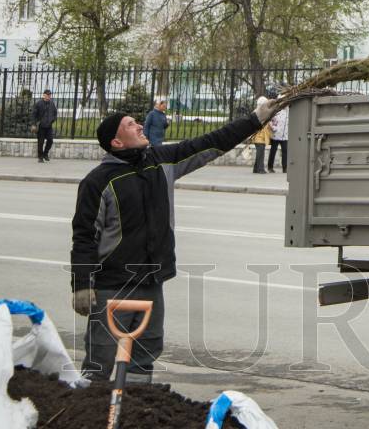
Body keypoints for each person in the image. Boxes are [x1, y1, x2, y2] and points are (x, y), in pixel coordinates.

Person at [70, 99, 274, 382]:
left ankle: (136, 403)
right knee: (100, 359)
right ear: (116, 142)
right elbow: (84, 236)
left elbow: (210, 143)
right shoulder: (97, 182)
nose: (139, 125)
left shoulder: (161, 161)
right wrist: (82, 284)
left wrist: (254, 120)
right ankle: (90, 405)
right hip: (112, 287)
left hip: (152, 282)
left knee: (145, 355)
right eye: (131, 124)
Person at [31, 89, 56, 162]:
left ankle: (45, 154)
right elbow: (34, 114)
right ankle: (40, 157)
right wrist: (34, 124)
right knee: (40, 142)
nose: (49, 96)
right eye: (47, 95)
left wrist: (53, 120)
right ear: (44, 95)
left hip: (49, 126)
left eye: (49, 95)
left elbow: (55, 113)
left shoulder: (52, 103)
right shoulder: (39, 103)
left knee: (50, 140)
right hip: (41, 126)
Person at [250, 95, 271, 173]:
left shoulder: (259, 112)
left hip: (261, 136)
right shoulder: (257, 112)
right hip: (258, 136)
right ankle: (260, 169)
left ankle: (256, 169)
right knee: (260, 153)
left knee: (260, 153)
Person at [268, 104, 289, 173]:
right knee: (273, 151)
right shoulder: (276, 112)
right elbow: (269, 121)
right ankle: (270, 167)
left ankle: (285, 168)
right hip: (276, 135)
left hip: (285, 136)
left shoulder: (288, 112)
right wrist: (274, 128)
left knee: (285, 152)